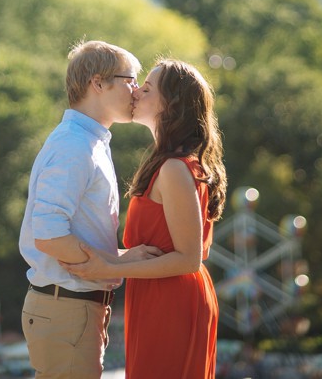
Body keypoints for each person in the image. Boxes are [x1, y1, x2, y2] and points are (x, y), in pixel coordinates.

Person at [64, 59, 228, 379]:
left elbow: (188, 259)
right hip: (157, 296)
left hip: (172, 301)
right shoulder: (169, 164)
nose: (136, 91)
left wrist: (110, 267)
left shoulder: (175, 169)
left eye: (148, 87)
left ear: (172, 105)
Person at [19, 39, 158, 378]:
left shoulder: (87, 141)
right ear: (98, 83)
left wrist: (120, 259)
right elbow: (49, 235)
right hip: (66, 306)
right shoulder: (74, 145)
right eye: (131, 80)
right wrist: (116, 262)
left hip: (71, 307)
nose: (137, 91)